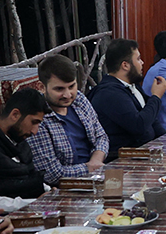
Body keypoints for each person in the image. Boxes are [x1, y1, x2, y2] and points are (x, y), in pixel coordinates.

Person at [29, 54, 110, 185]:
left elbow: (101, 136)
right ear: (42, 87)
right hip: (61, 188)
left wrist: (96, 160)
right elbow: (51, 174)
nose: (67, 95)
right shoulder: (38, 117)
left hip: (96, 175)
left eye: (71, 86)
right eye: (59, 89)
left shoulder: (79, 99)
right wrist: (88, 168)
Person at [88, 37, 166, 157]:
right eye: (138, 59)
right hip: (125, 159)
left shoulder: (132, 85)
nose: (142, 63)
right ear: (125, 65)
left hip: (146, 153)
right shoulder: (109, 93)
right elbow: (139, 126)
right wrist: (156, 96)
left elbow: (151, 119)